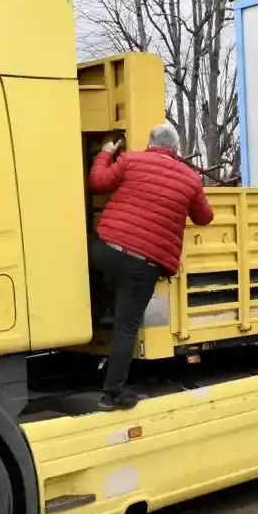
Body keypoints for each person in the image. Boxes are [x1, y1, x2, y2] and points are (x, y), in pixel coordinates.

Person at [87, 123, 214, 411]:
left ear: (149, 143)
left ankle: (97, 306)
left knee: (82, 259)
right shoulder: (190, 178)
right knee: (126, 326)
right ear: (175, 149)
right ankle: (112, 394)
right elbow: (204, 218)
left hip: (106, 249)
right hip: (142, 264)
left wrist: (106, 152)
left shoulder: (131, 160)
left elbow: (98, 182)